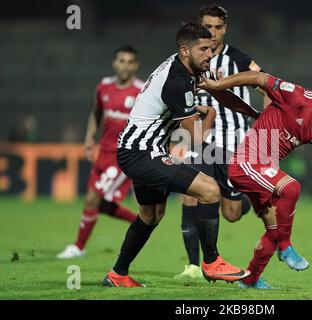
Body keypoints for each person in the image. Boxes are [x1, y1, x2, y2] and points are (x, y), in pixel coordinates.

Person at [102, 22, 260, 287]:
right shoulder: (178, 81)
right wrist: (208, 115)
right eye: (203, 49)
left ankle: (117, 274)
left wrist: (253, 114)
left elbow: (218, 91)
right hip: (141, 153)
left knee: (151, 215)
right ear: (186, 51)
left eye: (211, 49)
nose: (209, 54)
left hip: (138, 150)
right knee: (209, 190)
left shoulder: (186, 68)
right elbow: (196, 139)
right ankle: (212, 263)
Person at [198, 71, 312, 289]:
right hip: (245, 164)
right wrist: (217, 85)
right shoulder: (297, 97)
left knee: (274, 230)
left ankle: (251, 279)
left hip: (264, 172)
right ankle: (286, 247)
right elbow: (258, 78)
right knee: (291, 188)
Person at [174, 4, 270, 280]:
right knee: (191, 195)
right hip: (198, 140)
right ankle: (196, 266)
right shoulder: (187, 59)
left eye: (217, 27)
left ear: (225, 29)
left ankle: (247, 199)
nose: (212, 33)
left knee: (231, 213)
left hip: (234, 144)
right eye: (208, 27)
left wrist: (264, 126)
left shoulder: (238, 59)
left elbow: (266, 85)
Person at [57, 45, 143, 259]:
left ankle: (78, 247)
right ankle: (142, 223)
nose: (125, 65)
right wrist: (88, 138)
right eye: (122, 61)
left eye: (130, 61)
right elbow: (96, 113)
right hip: (102, 152)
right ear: (114, 63)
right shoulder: (104, 86)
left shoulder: (141, 91)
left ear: (136, 65)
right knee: (101, 204)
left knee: (92, 198)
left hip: (123, 155)